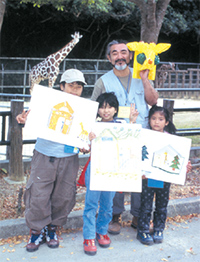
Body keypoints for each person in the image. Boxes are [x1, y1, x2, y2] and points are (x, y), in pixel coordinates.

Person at [16, 69, 89, 252]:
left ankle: (52, 228)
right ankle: (36, 230)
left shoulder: (84, 110)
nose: (74, 90)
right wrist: (22, 119)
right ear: (62, 86)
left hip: (68, 158)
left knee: (63, 194)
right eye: (71, 86)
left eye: (78, 87)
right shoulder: (46, 102)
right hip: (44, 154)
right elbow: (28, 119)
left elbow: (85, 135)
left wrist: (86, 142)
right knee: (38, 192)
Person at [91, 39, 159, 234]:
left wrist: (145, 79)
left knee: (140, 176)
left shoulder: (142, 75)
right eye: (114, 53)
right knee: (116, 175)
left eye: (123, 52)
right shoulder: (103, 81)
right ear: (108, 58)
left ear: (130, 55)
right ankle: (115, 216)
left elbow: (153, 100)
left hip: (141, 134)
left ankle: (139, 215)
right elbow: (93, 109)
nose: (120, 56)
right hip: (115, 137)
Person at [83, 92, 139, 255]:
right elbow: (83, 146)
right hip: (96, 167)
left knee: (108, 204)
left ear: (116, 109)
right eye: (102, 107)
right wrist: (88, 139)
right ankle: (88, 236)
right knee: (91, 204)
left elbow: (130, 140)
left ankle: (101, 231)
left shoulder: (121, 124)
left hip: (114, 169)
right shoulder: (92, 125)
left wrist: (132, 122)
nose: (105, 111)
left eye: (109, 107)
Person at [136, 105, 192, 245]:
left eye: (160, 119)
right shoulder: (144, 137)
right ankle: (142, 230)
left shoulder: (173, 140)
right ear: (149, 120)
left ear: (166, 122)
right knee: (146, 205)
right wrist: (140, 171)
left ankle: (158, 229)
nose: (156, 122)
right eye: (153, 118)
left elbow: (179, 158)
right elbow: (136, 156)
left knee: (162, 205)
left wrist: (185, 167)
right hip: (147, 178)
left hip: (164, 178)